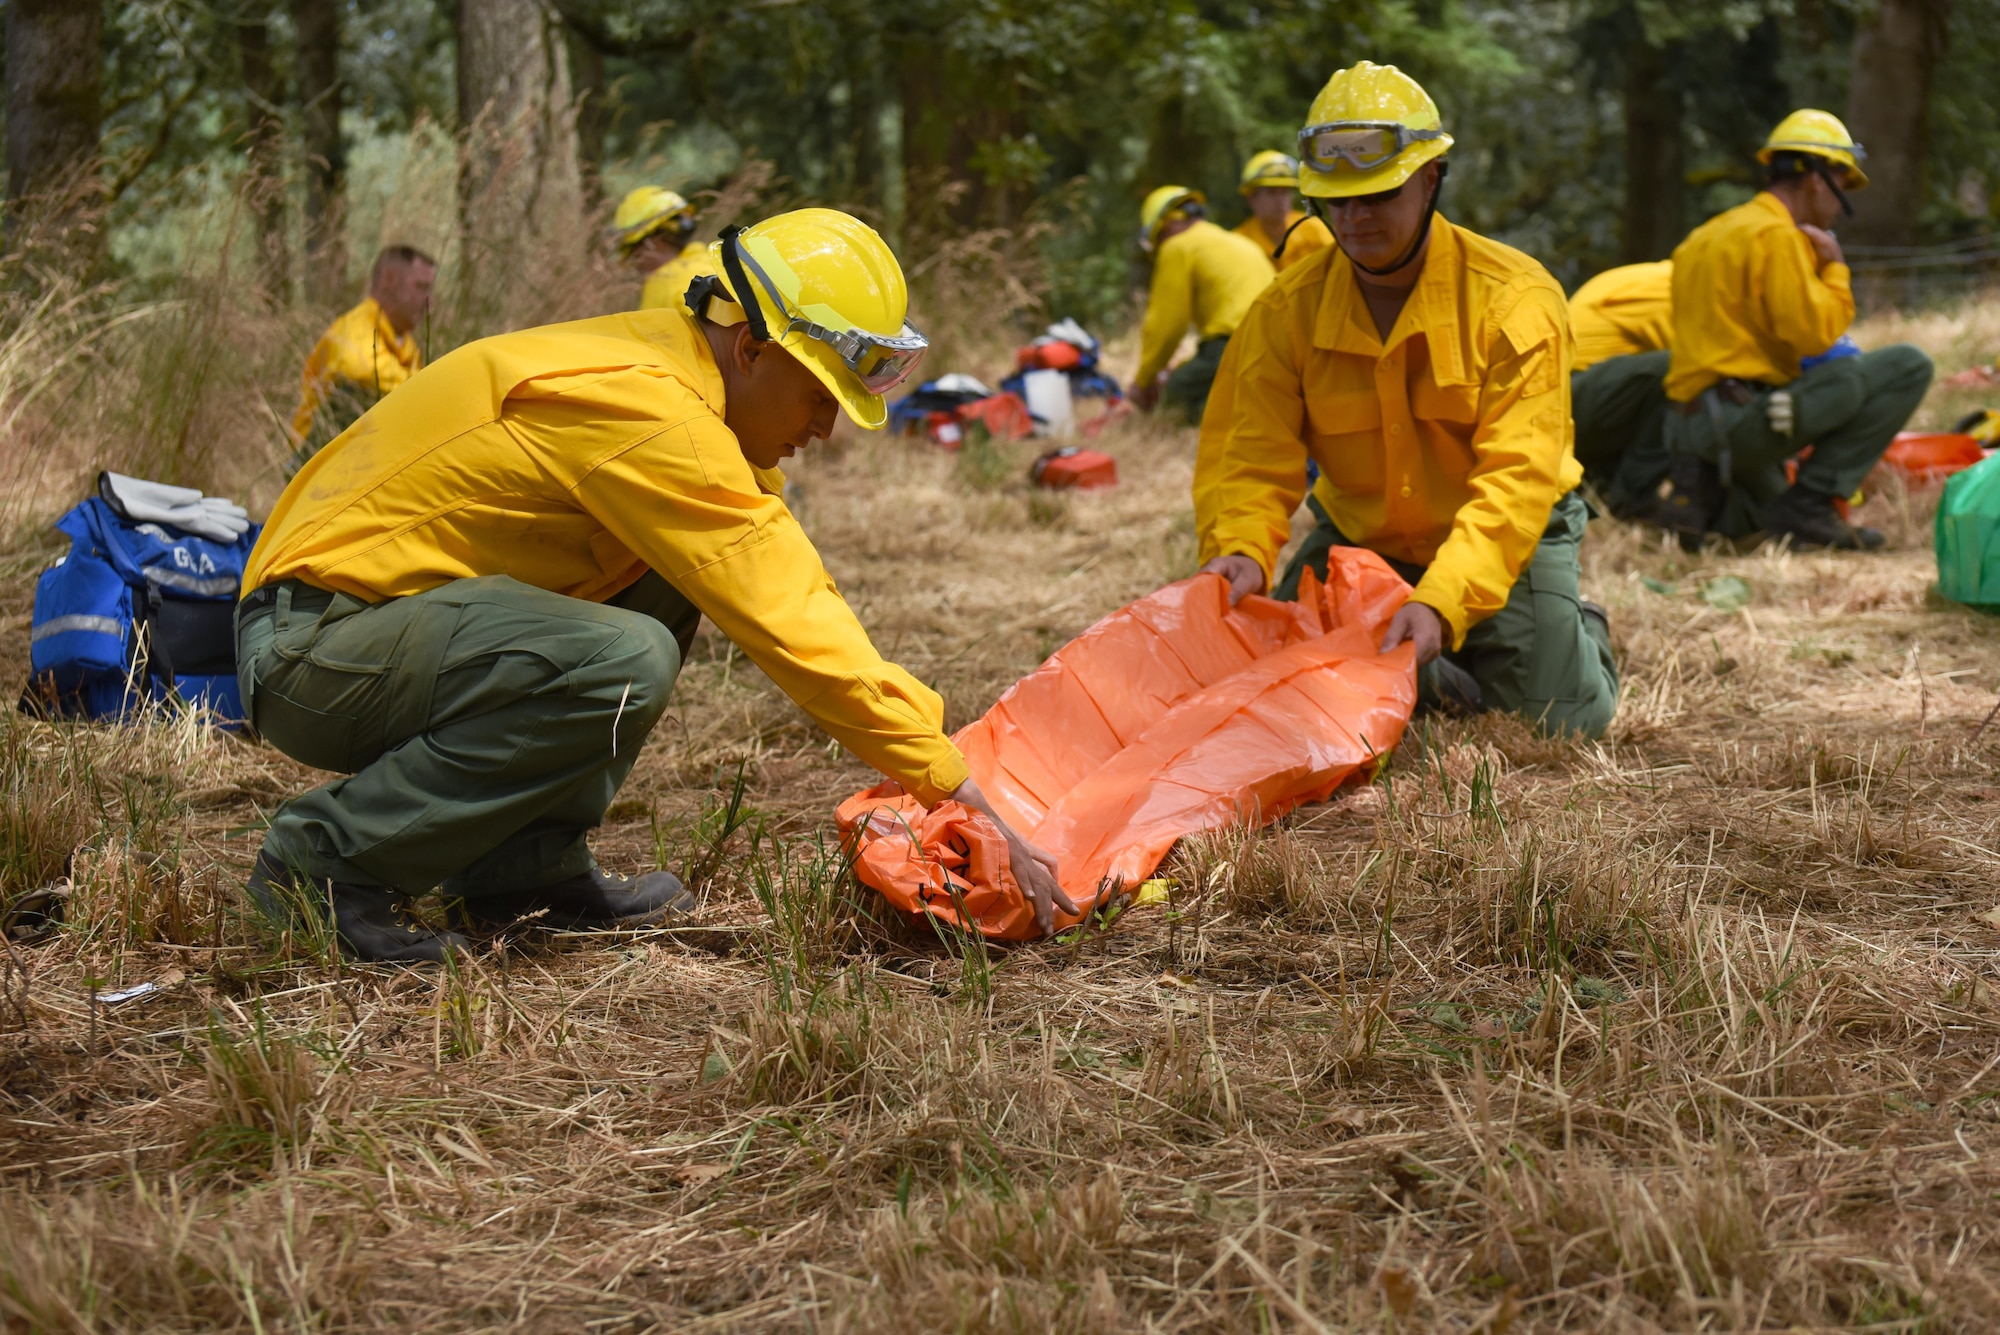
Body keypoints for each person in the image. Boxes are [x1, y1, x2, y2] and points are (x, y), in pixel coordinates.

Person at [236, 209, 1077, 962]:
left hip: (370, 624)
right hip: (313, 645)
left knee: (665, 587)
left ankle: (518, 869)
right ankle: (323, 864)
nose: (826, 426)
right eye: (822, 394)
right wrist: (960, 789)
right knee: (620, 654)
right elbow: (787, 610)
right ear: (750, 347)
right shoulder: (649, 411)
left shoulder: (671, 378)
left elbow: (762, 557)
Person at [1193, 61, 1618, 739]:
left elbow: (1517, 480)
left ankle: (1571, 623)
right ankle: (1441, 660)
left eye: (1378, 194)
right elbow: (1247, 453)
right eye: (1336, 201)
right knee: (1277, 685)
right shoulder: (1283, 312)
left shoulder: (1516, 300)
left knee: (1560, 722)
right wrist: (1241, 548)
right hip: (1365, 537)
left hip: (1507, 530)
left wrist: (1445, 601)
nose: (1355, 218)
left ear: (1430, 179)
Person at [1659, 109, 1933, 551]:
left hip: (1687, 425)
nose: (1842, 203)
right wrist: (1834, 269)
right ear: (1817, 179)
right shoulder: (1777, 237)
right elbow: (1815, 337)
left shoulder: (1705, 236)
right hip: (1741, 421)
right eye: (1844, 184)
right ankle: (1812, 502)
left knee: (1763, 521)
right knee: (1906, 366)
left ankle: (1703, 493)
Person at [1132, 185, 1275, 424]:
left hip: (1235, 343)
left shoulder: (1177, 246)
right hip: (1281, 345)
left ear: (1163, 227)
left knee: (1176, 396)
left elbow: (1167, 326)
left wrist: (1143, 382)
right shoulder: (1241, 242)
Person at [290, 245, 434, 463]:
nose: (428, 302)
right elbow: (359, 371)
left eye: (429, 290)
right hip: (312, 464)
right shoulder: (354, 327)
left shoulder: (406, 345)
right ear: (389, 279)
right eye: (420, 288)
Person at [1568, 260, 1675, 518]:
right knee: (1679, 370)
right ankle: (1633, 500)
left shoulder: (1659, 276)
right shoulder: (1674, 288)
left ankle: (1603, 483)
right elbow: (1703, 369)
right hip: (1568, 399)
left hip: (1579, 403)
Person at [610, 186, 716, 314]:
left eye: (633, 251)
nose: (635, 262)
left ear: (656, 241)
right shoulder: (715, 262)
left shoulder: (661, 285)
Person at [1233, 151, 1334, 271]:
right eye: (1272, 192)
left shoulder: (1316, 230)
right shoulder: (1238, 243)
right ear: (1251, 198)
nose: (1281, 200)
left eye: (1285, 191)